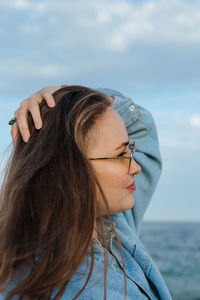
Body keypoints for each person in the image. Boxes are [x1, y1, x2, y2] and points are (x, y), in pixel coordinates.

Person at [0, 85, 172, 300]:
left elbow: (140, 123)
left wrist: (67, 94)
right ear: (71, 167)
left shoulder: (110, 223)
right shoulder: (59, 287)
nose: (135, 166)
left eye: (131, 150)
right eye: (121, 154)